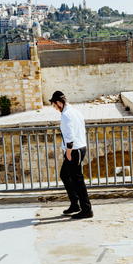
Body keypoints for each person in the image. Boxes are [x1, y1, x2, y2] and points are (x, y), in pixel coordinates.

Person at [49, 91, 93, 219]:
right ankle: (75, 204)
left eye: (54, 105)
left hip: (74, 150)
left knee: (77, 180)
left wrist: (68, 152)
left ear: (59, 103)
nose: (55, 108)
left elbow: (70, 137)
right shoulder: (75, 111)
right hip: (78, 148)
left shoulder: (66, 115)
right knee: (65, 175)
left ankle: (86, 209)